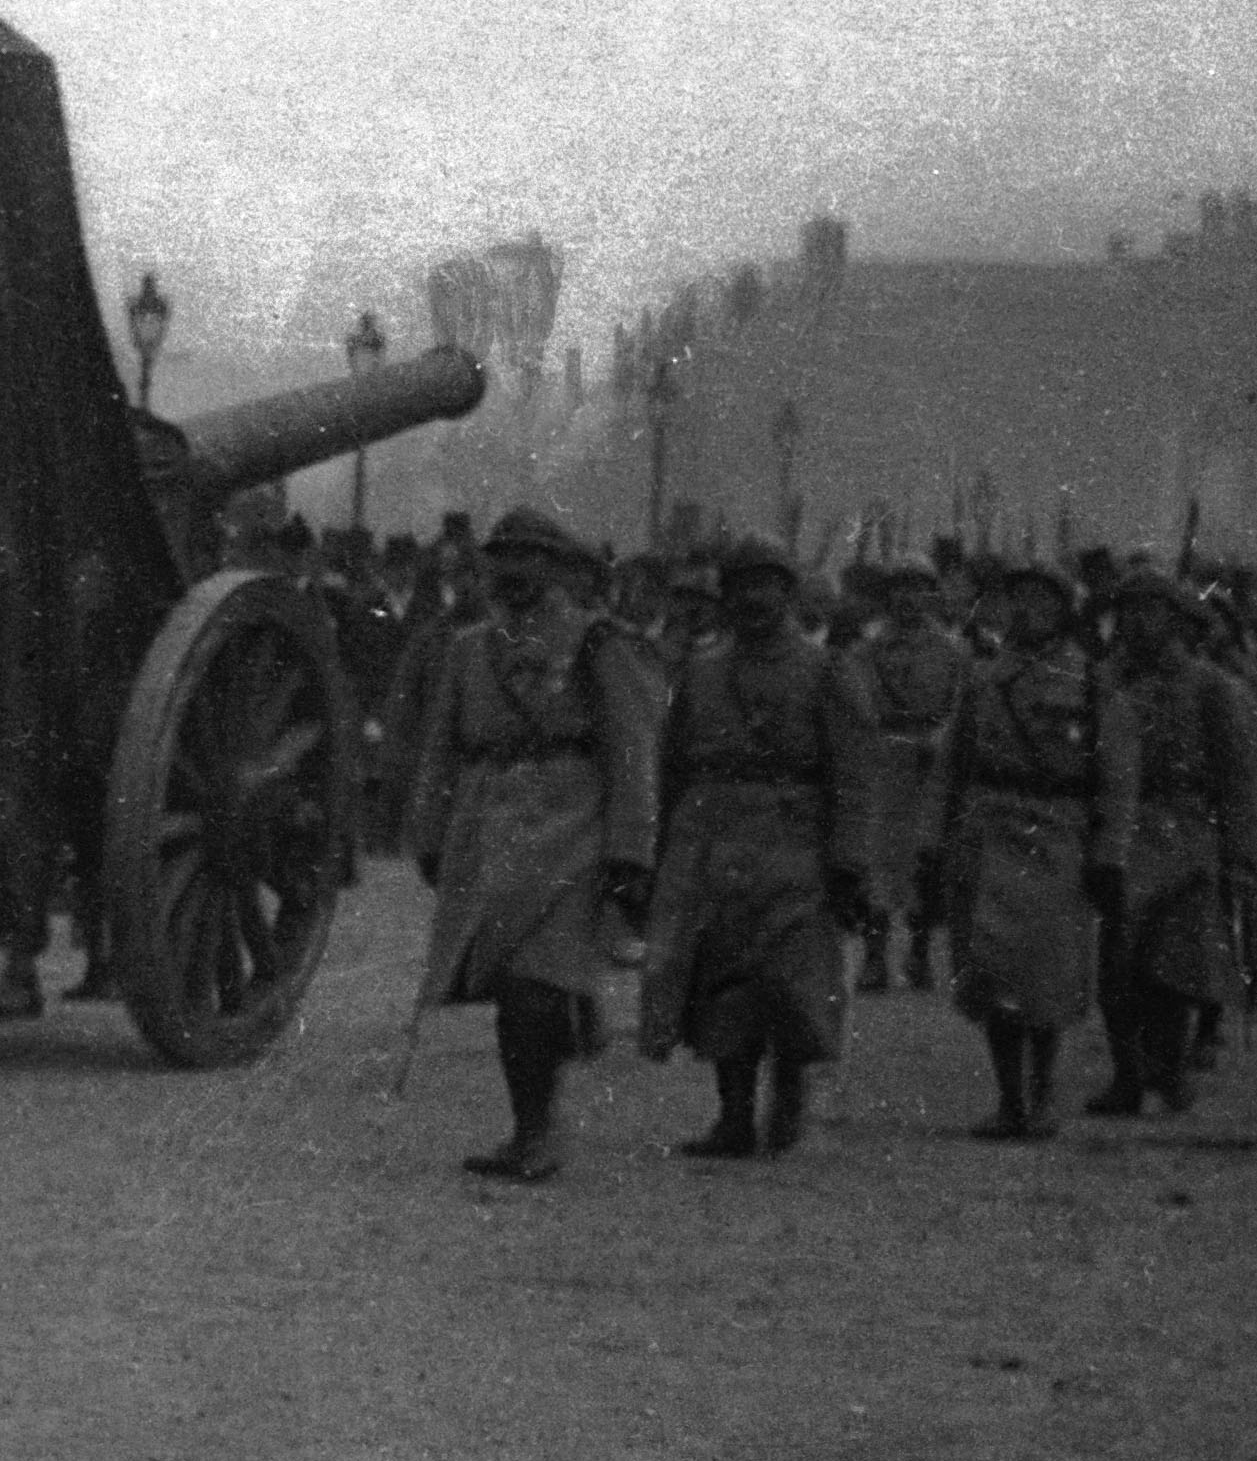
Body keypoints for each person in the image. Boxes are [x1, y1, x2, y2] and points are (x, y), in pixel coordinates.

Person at [396, 506, 660, 1185]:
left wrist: (632, 850)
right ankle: (539, 1103)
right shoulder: (468, 649)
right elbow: (439, 750)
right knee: (517, 986)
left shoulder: (600, 645)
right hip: (491, 832)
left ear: (558, 568)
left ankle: (537, 1132)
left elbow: (633, 750)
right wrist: (428, 833)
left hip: (573, 828)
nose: (514, 571)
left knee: (529, 990)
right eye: (502, 556)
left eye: (530, 556)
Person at [638, 540, 870, 1160]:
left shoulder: (827, 671)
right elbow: (672, 764)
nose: (754, 599)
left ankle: (787, 1099)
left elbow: (852, 772)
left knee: (791, 980)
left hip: (797, 844)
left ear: (790, 594)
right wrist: (660, 849)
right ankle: (733, 1116)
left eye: (767, 585)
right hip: (713, 841)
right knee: (722, 977)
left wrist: (849, 862)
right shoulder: (701, 670)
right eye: (741, 586)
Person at [936, 558, 1122, 1138]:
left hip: (1058, 835)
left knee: (1047, 977)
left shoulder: (1092, 683)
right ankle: (1009, 1099)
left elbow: (1116, 778)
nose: (1026, 611)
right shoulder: (984, 679)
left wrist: (1108, 854)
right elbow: (950, 767)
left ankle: (1041, 1096)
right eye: (1016, 599)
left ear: (1064, 612)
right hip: (989, 831)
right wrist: (930, 839)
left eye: (1041, 601)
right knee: (991, 971)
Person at [1093, 565, 1257, 1119]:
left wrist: (1241, 856)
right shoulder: (1104, 682)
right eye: (1131, 610)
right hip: (1119, 829)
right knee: (1116, 962)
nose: (1139, 622)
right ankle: (1127, 1075)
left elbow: (1239, 779)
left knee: (1174, 966)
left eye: (1152, 610)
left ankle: (1168, 1071)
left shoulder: (1213, 687)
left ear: (1178, 620)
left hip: (1186, 831)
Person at [839, 558, 971, 992]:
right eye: (900, 588)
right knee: (878, 861)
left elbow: (960, 707)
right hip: (883, 762)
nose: (909, 598)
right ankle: (875, 958)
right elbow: (856, 706)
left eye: (918, 588)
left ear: (932, 595)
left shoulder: (952, 651)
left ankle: (918, 955)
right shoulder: (867, 649)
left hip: (931, 766)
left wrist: (942, 739)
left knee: (925, 857)